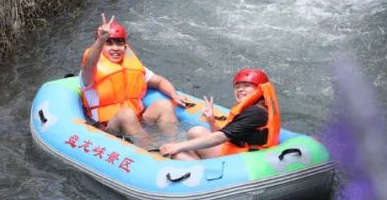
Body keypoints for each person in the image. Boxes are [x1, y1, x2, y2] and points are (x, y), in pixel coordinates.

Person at [81, 14, 187, 148]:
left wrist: (174, 95)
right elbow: (89, 64)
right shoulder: (89, 73)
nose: (115, 48)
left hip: (137, 120)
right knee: (126, 114)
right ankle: (153, 151)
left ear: (125, 46)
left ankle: (177, 145)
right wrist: (101, 39)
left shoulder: (134, 67)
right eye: (109, 43)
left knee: (164, 104)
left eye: (119, 43)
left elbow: (160, 82)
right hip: (108, 127)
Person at [158, 68, 281, 159]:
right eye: (237, 86)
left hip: (244, 159)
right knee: (196, 132)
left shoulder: (255, 113)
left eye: (247, 86)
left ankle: (204, 177)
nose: (240, 89)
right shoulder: (256, 107)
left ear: (260, 89)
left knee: (178, 153)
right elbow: (230, 136)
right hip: (242, 151)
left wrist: (178, 146)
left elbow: (219, 138)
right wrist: (211, 120)